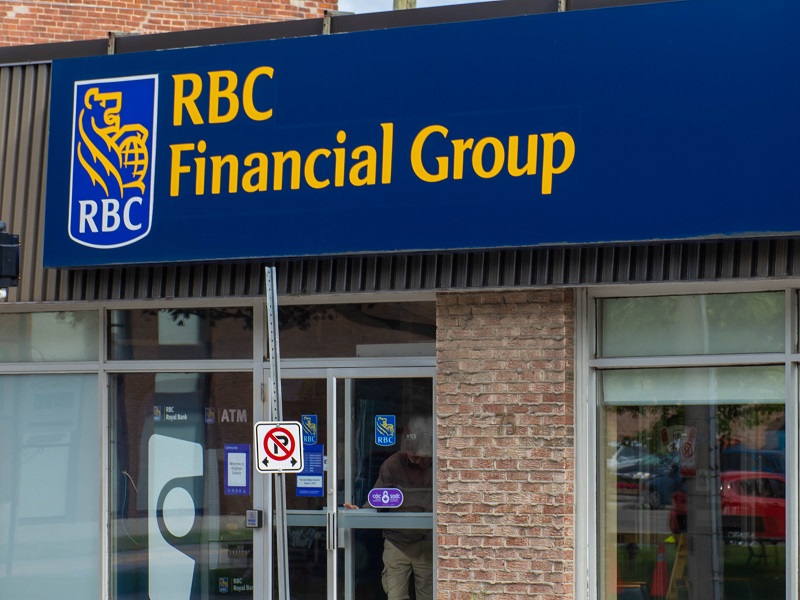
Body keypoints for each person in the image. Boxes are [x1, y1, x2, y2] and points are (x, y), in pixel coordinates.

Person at [344, 415, 434, 600]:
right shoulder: (393, 464)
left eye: (420, 456)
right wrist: (361, 513)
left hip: (427, 542)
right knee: (395, 595)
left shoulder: (441, 465)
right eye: (411, 454)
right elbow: (378, 497)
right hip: (396, 541)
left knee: (429, 595)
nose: (415, 459)